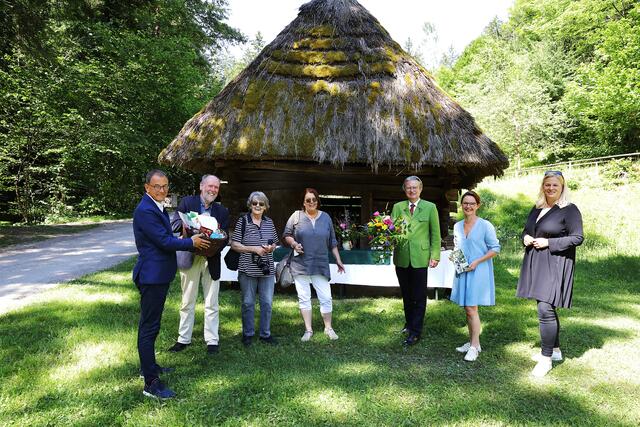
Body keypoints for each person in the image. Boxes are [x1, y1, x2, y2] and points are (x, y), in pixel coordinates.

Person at [133, 169, 210, 399]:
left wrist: (182, 238)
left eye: (165, 186)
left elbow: (164, 238)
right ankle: (151, 383)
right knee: (148, 328)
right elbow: (163, 242)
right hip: (151, 276)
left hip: (158, 275)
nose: (162, 190)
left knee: (152, 326)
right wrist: (191, 242)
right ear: (147, 187)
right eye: (157, 186)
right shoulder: (146, 210)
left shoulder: (156, 207)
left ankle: (150, 366)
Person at [516, 171, 583, 377]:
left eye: (555, 185)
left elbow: (577, 237)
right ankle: (555, 351)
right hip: (537, 262)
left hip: (555, 262)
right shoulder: (537, 208)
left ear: (562, 187)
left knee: (545, 307)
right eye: (547, 185)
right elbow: (526, 230)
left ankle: (545, 359)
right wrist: (526, 237)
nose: (551, 188)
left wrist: (549, 243)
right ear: (542, 186)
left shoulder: (569, 210)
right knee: (545, 305)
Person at [167, 174, 229, 355]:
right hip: (190, 255)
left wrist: (213, 245)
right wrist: (193, 225)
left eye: (216, 187)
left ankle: (212, 340)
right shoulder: (187, 203)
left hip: (212, 258)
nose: (213, 190)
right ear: (201, 186)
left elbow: (225, 237)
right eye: (210, 186)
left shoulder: (222, 211)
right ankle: (183, 339)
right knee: (187, 300)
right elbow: (175, 224)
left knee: (212, 301)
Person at [283, 188, 345, 342]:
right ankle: (308, 330)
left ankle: (328, 327)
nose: (311, 202)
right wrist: (294, 244)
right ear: (303, 202)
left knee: (326, 297)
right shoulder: (296, 216)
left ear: (318, 201)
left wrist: (338, 259)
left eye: (314, 199)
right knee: (304, 297)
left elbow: (332, 242)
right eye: (308, 200)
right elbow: (286, 235)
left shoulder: (326, 218)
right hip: (301, 264)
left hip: (320, 264)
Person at [450, 191, 500, 362]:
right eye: (465, 203)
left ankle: (474, 347)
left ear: (478, 205)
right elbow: (458, 247)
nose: (468, 206)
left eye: (472, 203)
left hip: (478, 271)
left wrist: (477, 261)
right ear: (461, 205)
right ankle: (472, 341)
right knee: (467, 308)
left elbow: (495, 249)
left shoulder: (486, 225)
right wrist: (456, 258)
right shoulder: (457, 226)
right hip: (463, 270)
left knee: (472, 308)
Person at [391, 176, 441, 346]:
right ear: (404, 189)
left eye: (415, 187)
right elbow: (392, 231)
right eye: (408, 188)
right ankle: (409, 323)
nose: (411, 190)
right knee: (406, 294)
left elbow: (435, 234)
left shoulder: (430, 208)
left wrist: (435, 255)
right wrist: (385, 238)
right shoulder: (398, 207)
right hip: (402, 257)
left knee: (418, 296)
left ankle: (416, 331)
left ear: (420, 189)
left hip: (420, 258)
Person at [230, 192, 279, 347]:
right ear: (250, 205)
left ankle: (265, 334)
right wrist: (254, 249)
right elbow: (234, 245)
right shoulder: (243, 221)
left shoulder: (269, 222)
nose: (257, 206)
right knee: (248, 302)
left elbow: (275, 243)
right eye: (254, 203)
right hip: (247, 268)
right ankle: (248, 334)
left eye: (261, 204)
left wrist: (271, 248)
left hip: (267, 269)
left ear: (266, 206)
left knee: (267, 303)